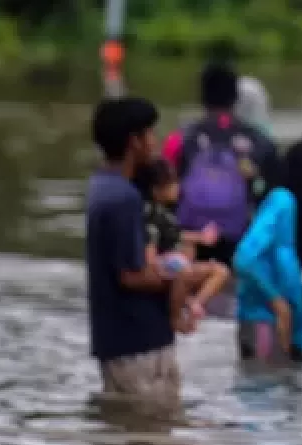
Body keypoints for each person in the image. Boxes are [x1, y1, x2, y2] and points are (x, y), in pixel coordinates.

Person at [86, 96, 180, 402]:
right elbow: (131, 275)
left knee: (132, 436)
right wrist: (180, 275)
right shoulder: (124, 198)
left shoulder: (102, 185)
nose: (155, 141)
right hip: (139, 341)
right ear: (134, 141)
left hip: (117, 338)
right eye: (149, 134)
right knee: (151, 436)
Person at [232, 136, 302, 363]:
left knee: (286, 391)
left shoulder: (288, 203)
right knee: (267, 391)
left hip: (277, 321)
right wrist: (277, 301)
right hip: (264, 322)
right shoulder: (283, 201)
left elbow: (278, 264)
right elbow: (244, 258)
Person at [175, 62, 282, 266]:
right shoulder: (260, 141)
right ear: (235, 97)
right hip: (242, 240)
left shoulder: (182, 138)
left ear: (202, 96)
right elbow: (274, 197)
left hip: (192, 239)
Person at [133, 159, 230, 334]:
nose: (178, 187)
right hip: (160, 264)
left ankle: (195, 302)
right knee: (184, 268)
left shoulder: (165, 213)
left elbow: (175, 235)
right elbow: (150, 250)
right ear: (157, 190)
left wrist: (201, 237)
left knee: (220, 271)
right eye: (173, 183)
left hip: (173, 260)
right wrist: (160, 263)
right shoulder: (149, 214)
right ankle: (176, 316)